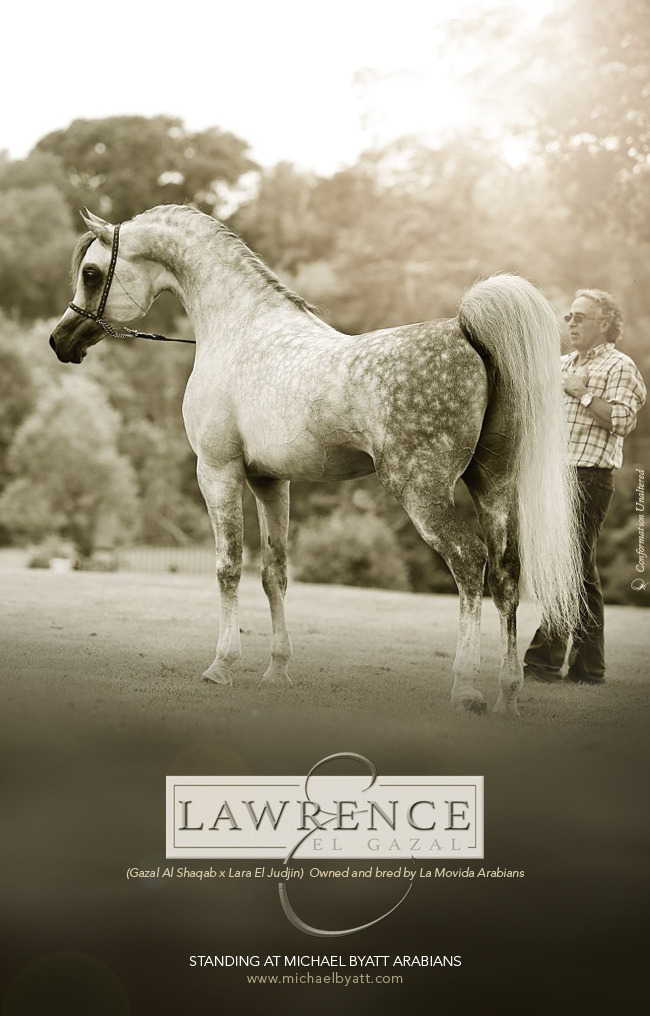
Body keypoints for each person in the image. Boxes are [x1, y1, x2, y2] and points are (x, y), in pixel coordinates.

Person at [524, 288, 646, 685]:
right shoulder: (560, 365)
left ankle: (542, 663)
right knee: (580, 572)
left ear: (605, 324)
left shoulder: (620, 366)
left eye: (580, 317)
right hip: (554, 477)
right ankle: (589, 669)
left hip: (589, 477)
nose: (571, 323)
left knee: (569, 568)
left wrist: (584, 393)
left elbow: (623, 422)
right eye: (569, 317)